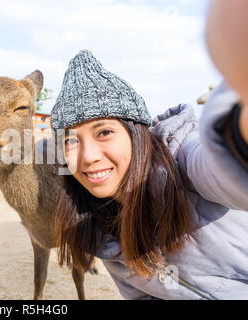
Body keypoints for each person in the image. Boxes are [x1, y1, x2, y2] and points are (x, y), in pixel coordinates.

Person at [50, 2, 247, 299]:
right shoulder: (98, 225)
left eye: (104, 132)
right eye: (70, 141)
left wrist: (237, 124)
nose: (87, 156)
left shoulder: (184, 162)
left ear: (137, 133)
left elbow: (227, 172)